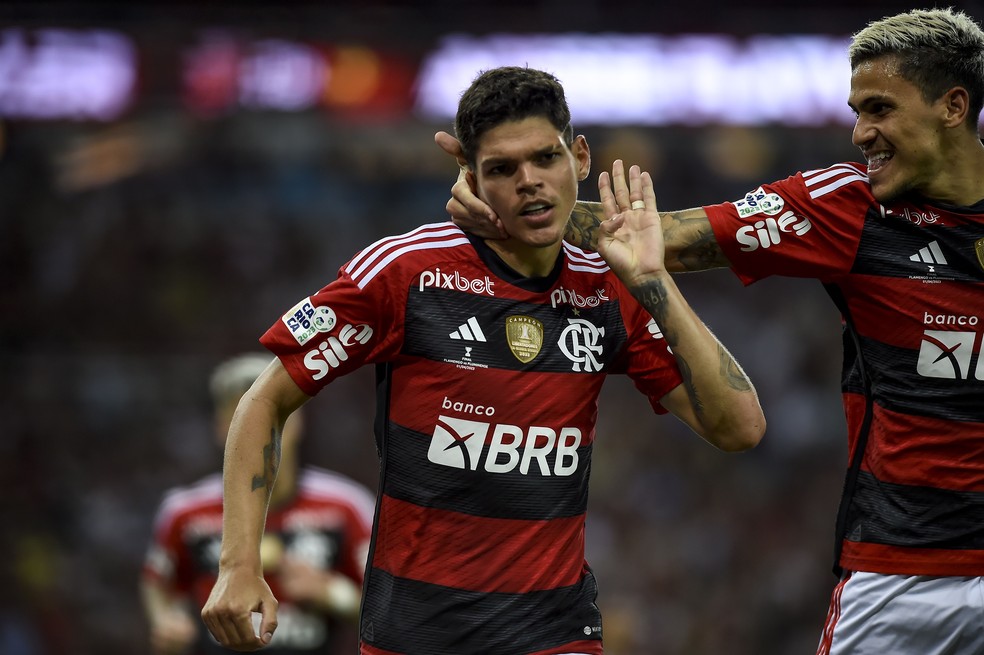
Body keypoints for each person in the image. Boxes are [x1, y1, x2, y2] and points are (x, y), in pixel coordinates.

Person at [439, 8, 984, 655]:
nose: (861, 131)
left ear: (953, 107)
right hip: (902, 575)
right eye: (857, 111)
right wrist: (512, 206)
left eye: (880, 109)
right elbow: (657, 237)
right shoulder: (848, 207)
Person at [200, 66, 765, 655]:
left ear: (579, 157)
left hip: (555, 634)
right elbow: (263, 400)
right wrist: (238, 565)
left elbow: (740, 427)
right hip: (414, 637)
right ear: (470, 178)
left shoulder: (608, 287)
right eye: (501, 169)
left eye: (545, 158)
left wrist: (654, 279)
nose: (529, 182)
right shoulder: (406, 273)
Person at [141, 353, 375, 655]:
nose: (258, 435)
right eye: (241, 420)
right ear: (221, 427)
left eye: (271, 419)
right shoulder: (185, 511)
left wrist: (331, 593)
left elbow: (385, 608)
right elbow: (158, 583)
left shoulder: (345, 506)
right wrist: (166, 621)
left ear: (298, 421)